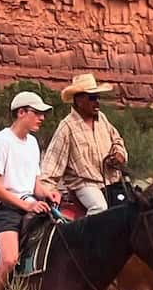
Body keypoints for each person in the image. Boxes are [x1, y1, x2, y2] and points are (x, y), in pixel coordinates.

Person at [0, 89, 58, 290]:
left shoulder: (33, 143)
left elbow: (34, 185)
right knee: (9, 260)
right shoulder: (1, 141)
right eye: (37, 113)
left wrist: (48, 193)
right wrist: (27, 206)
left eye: (42, 114)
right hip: (3, 208)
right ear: (21, 112)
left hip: (29, 202)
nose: (42, 118)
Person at [40, 72, 128, 214]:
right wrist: (46, 191)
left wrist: (119, 154)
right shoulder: (67, 127)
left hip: (111, 181)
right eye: (92, 98)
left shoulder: (102, 119)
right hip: (85, 184)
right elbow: (52, 163)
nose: (97, 102)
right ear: (79, 100)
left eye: (98, 97)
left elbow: (117, 140)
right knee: (99, 208)